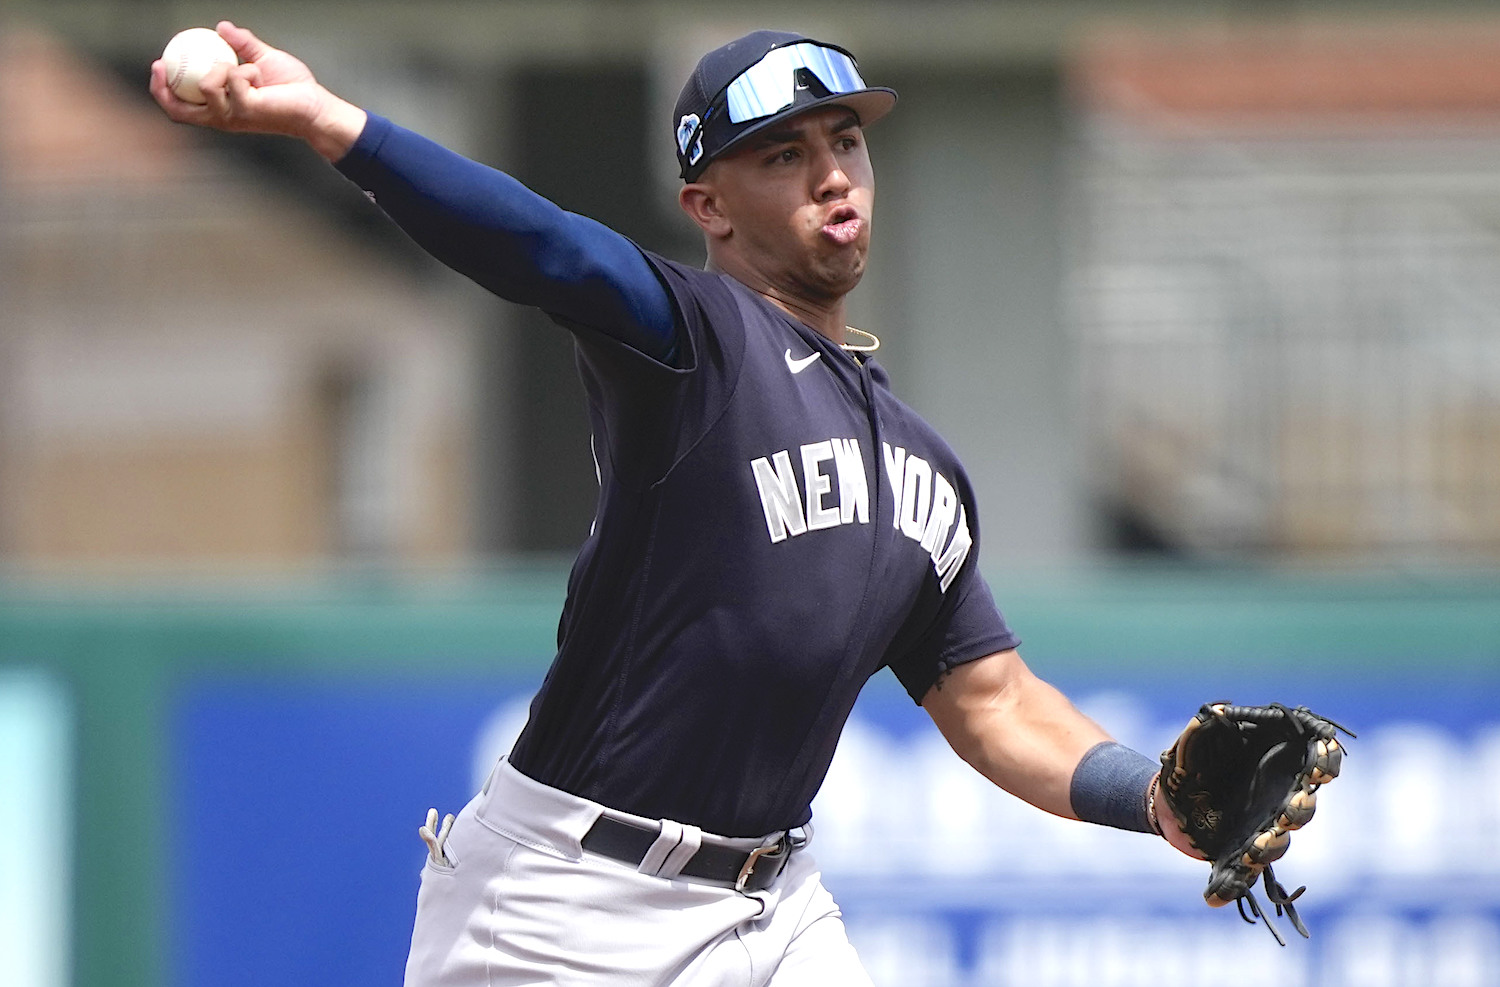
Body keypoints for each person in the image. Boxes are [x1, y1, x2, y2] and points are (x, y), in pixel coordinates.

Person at [151, 22, 1200, 986]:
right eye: (782, 155)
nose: (832, 173)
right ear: (707, 206)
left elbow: (995, 704)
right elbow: (549, 250)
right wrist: (336, 126)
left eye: (845, 140)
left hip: (773, 908)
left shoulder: (921, 465)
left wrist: (1151, 796)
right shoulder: (694, 346)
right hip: (563, 904)